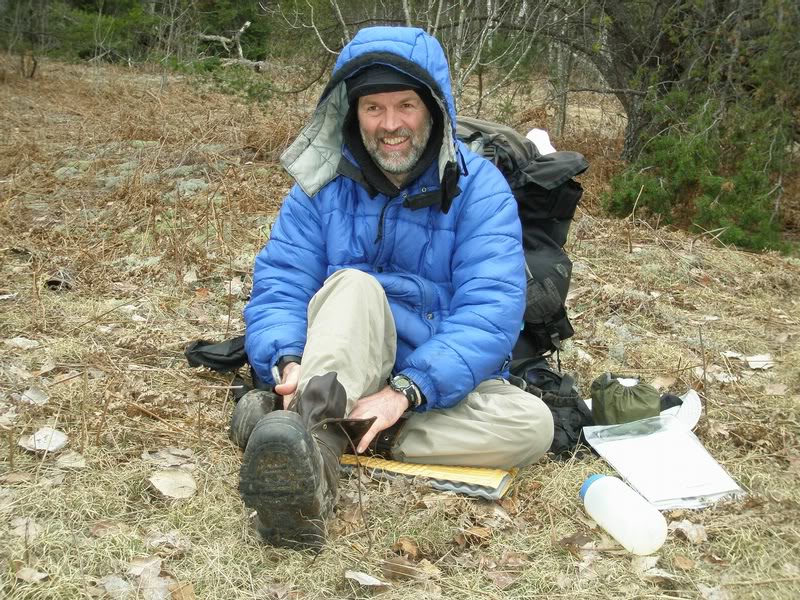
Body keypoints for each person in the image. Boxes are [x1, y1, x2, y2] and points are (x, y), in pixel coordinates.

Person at [233, 26, 554, 549]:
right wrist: (288, 359)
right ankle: (309, 471)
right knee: (355, 284)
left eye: (405, 104)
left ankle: (309, 432)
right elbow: (282, 283)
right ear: (351, 113)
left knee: (531, 426)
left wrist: (406, 392)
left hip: (426, 377)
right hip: (340, 358)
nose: (390, 125)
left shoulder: (481, 189)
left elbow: (490, 311)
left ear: (433, 108)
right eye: (373, 108)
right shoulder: (321, 184)